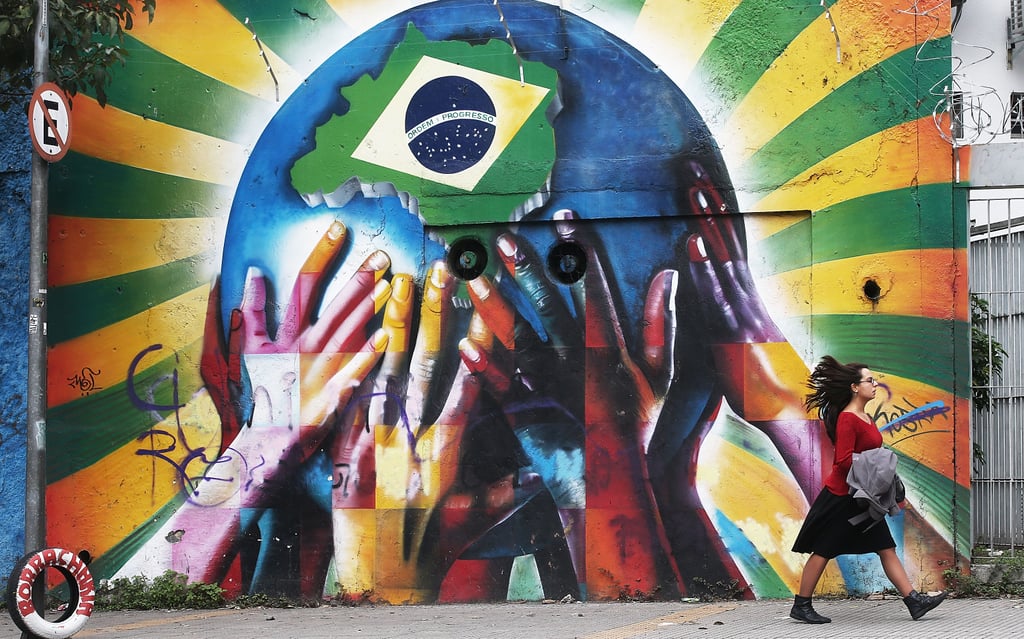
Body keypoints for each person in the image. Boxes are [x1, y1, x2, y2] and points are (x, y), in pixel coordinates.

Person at [790, 356, 948, 623]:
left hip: (863, 499)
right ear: (855, 387)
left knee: (885, 547)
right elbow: (842, 461)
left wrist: (885, 478)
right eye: (869, 380)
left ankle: (914, 601)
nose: (875, 384)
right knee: (823, 550)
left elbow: (869, 454)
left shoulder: (865, 416)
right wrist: (876, 465)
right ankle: (801, 605)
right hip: (843, 498)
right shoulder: (848, 419)